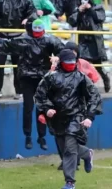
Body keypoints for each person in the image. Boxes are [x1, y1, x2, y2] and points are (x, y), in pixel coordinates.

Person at [0, 19, 65, 150]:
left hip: (43, 78)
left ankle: (42, 137)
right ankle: (28, 136)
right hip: (27, 76)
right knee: (28, 107)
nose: (37, 34)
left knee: (42, 108)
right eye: (35, 32)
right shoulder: (24, 39)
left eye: (40, 32)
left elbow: (63, 50)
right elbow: (10, 44)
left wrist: (57, 57)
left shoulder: (49, 40)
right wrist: (0, 47)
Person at [35, 49, 102, 189]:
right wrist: (47, 109)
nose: (71, 65)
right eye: (68, 63)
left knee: (70, 150)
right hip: (57, 118)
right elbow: (41, 95)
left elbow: (94, 96)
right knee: (64, 147)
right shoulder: (51, 77)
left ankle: (70, 182)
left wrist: (90, 116)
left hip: (76, 117)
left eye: (73, 63)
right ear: (62, 62)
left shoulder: (81, 78)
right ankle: (87, 154)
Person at [47, 41, 100, 171]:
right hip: (60, 107)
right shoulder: (58, 67)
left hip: (78, 108)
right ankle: (75, 158)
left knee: (73, 137)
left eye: (74, 53)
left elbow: (93, 83)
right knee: (60, 137)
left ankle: (74, 161)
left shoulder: (83, 65)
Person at [67, 0, 110, 93]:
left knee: (97, 65)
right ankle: (86, 87)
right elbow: (71, 21)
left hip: (95, 42)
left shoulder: (97, 8)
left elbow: (99, 18)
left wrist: (90, 9)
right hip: (83, 42)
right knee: (82, 64)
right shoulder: (79, 11)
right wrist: (79, 11)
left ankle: (105, 79)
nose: (84, 2)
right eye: (82, 0)